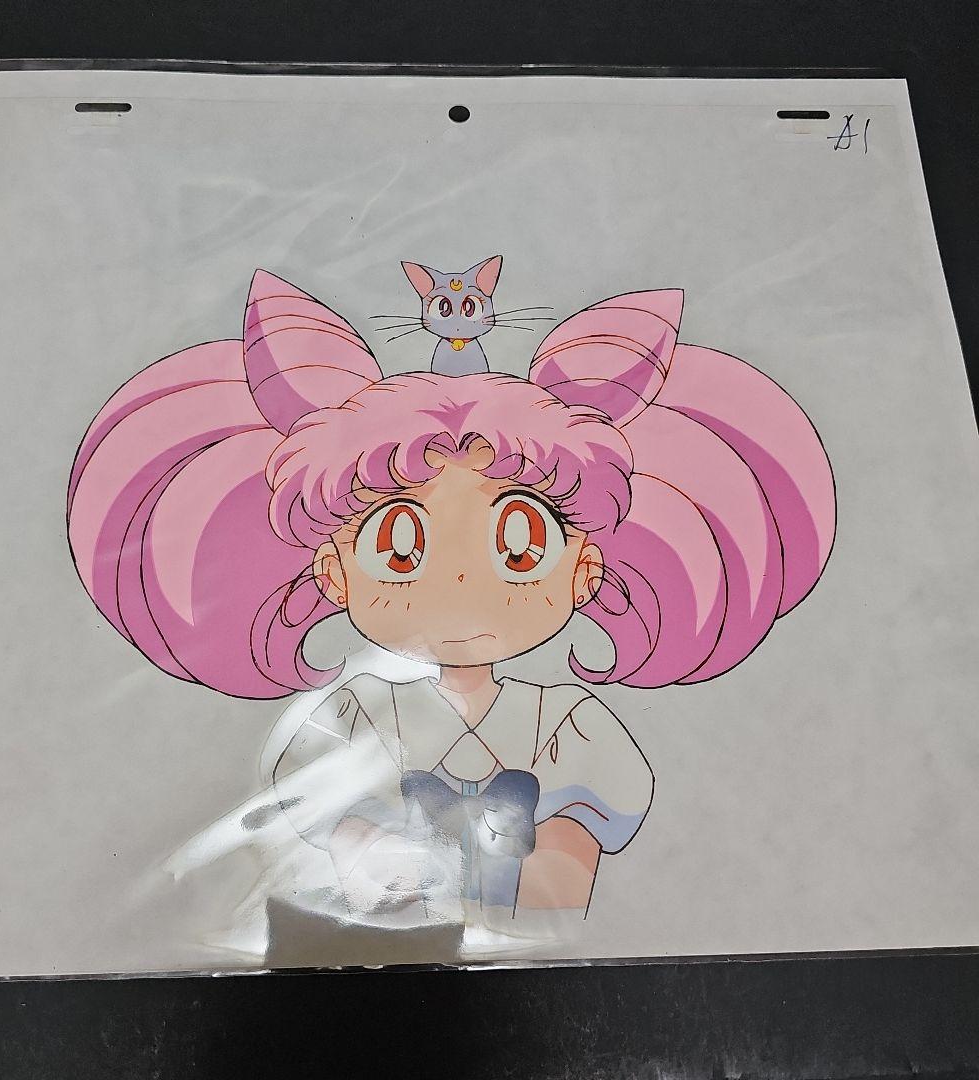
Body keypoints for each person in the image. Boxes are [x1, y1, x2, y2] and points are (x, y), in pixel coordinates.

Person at [67, 269, 835, 930]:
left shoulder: (567, 727)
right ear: (333, 573)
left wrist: (504, 892)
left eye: (520, 544)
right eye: (400, 545)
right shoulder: (351, 718)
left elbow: (565, 893)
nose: (463, 583)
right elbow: (353, 873)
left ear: (585, 570)